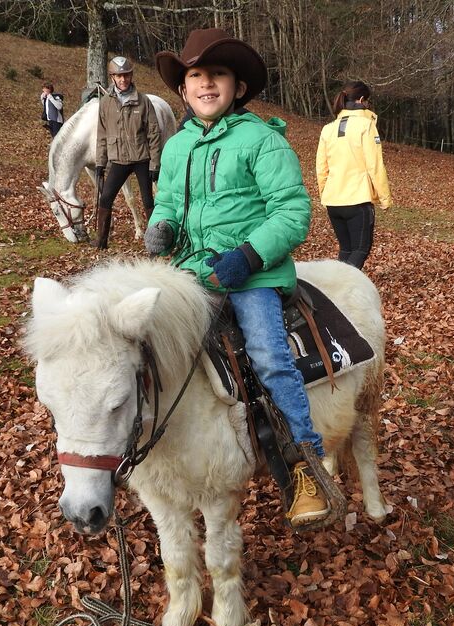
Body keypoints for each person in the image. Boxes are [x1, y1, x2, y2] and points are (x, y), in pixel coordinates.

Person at [143, 28, 344, 530]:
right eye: (195, 76)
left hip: (252, 274)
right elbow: (168, 200)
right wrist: (160, 226)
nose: (205, 84)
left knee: (271, 359)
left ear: (236, 86)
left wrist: (250, 255)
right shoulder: (177, 147)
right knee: (151, 350)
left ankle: (306, 469)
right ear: (184, 89)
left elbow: (293, 210)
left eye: (217, 75)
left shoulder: (261, 139)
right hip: (191, 273)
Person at [315, 81, 391, 270]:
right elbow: (374, 164)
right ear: (362, 100)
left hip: (333, 200)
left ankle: (336, 288)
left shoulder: (328, 128)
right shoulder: (366, 125)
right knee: (360, 249)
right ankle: (343, 288)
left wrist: (324, 193)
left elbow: (321, 168)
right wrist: (384, 197)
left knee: (346, 250)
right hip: (357, 198)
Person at [94, 55, 162, 250]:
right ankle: (101, 241)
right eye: (118, 76)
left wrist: (154, 164)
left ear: (131, 76)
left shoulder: (143, 101)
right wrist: (100, 162)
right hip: (118, 160)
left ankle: (155, 243)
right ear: (112, 77)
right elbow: (101, 134)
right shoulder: (105, 103)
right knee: (105, 197)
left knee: (148, 199)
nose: (123, 80)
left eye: (126, 75)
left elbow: (154, 133)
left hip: (141, 159)